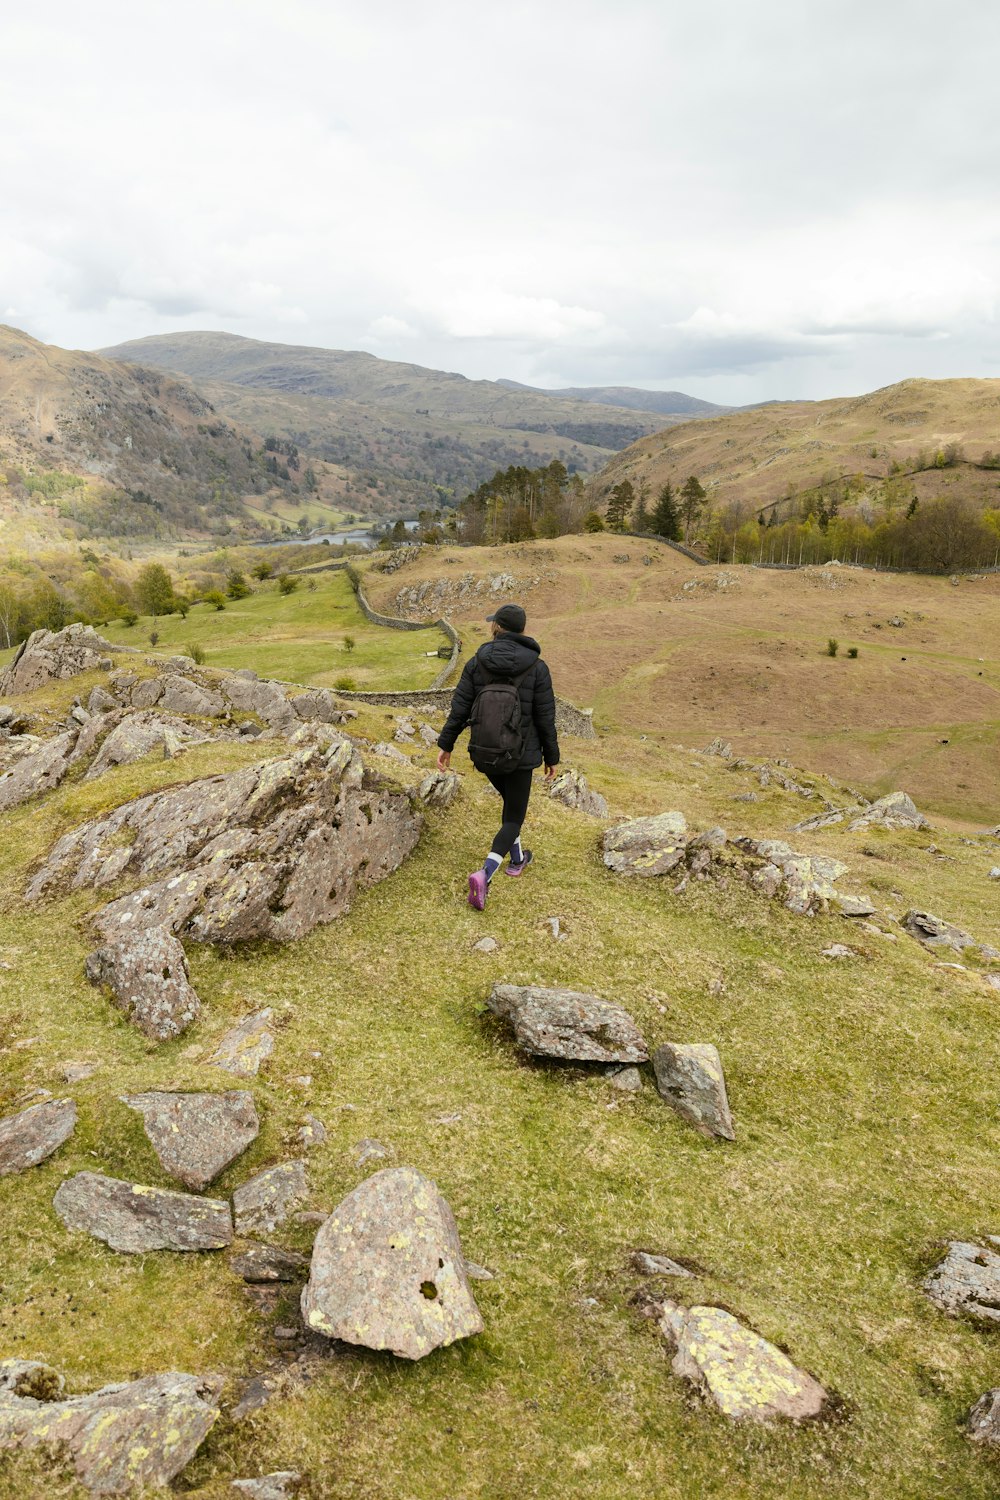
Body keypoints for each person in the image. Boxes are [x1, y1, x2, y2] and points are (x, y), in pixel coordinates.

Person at [436, 602, 559, 909]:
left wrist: (446, 744)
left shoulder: (476, 663)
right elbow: (545, 718)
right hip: (522, 755)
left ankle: (517, 859)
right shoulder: (538, 667)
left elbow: (460, 709)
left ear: (497, 627)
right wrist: (551, 756)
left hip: (484, 751)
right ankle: (486, 872)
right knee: (514, 817)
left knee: (510, 807)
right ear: (521, 630)